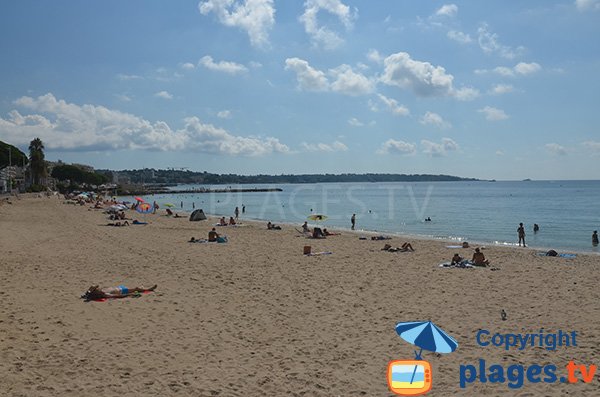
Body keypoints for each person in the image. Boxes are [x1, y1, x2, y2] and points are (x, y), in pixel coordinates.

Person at [82, 284, 157, 301]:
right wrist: (130, 295)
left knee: (136, 288)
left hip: (119, 287)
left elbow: (92, 287)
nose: (97, 288)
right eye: (96, 289)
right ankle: (149, 289)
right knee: (136, 289)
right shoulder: (105, 294)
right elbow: (117, 296)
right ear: (96, 292)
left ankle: (146, 289)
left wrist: (86, 295)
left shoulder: (98, 291)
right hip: (121, 290)